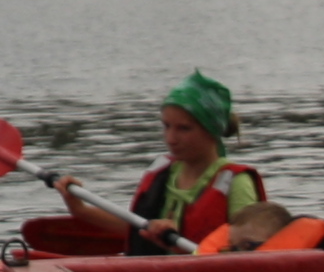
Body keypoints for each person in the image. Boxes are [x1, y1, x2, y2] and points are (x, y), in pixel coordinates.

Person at [57, 71, 261, 252]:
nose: (171, 138)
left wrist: (177, 246)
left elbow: (249, 256)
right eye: (166, 126)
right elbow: (136, 228)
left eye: (184, 129)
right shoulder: (165, 172)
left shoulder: (237, 183)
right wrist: (80, 209)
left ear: (212, 131)